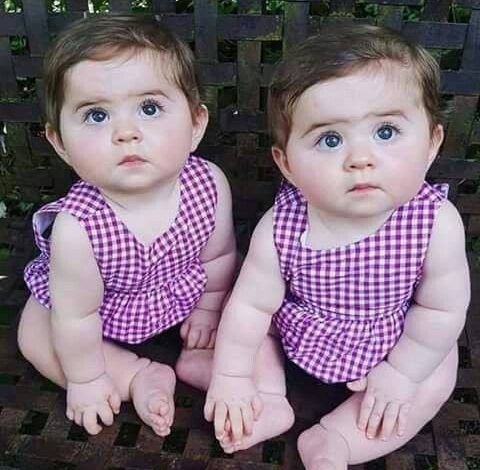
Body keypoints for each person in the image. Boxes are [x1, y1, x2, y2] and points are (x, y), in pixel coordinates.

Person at [204, 24, 471, 469]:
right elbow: (251, 307)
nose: (360, 158)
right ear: (287, 165)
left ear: (431, 144)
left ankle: (338, 439)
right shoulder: (281, 226)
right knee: (250, 333)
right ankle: (269, 399)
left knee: (437, 372)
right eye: (330, 140)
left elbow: (441, 311)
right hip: (299, 333)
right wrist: (231, 377)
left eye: (386, 132)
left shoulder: (435, 223)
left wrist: (401, 372)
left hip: (391, 344)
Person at [17, 15, 236, 437]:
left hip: (181, 293)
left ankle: (208, 363)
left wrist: (209, 309)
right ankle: (135, 375)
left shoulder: (208, 184)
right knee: (35, 335)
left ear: (195, 125)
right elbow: (76, 319)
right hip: (91, 313)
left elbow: (220, 255)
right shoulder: (77, 228)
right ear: (60, 143)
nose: (126, 132)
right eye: (96, 115)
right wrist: (84, 379)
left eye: (149, 108)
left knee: (246, 294)